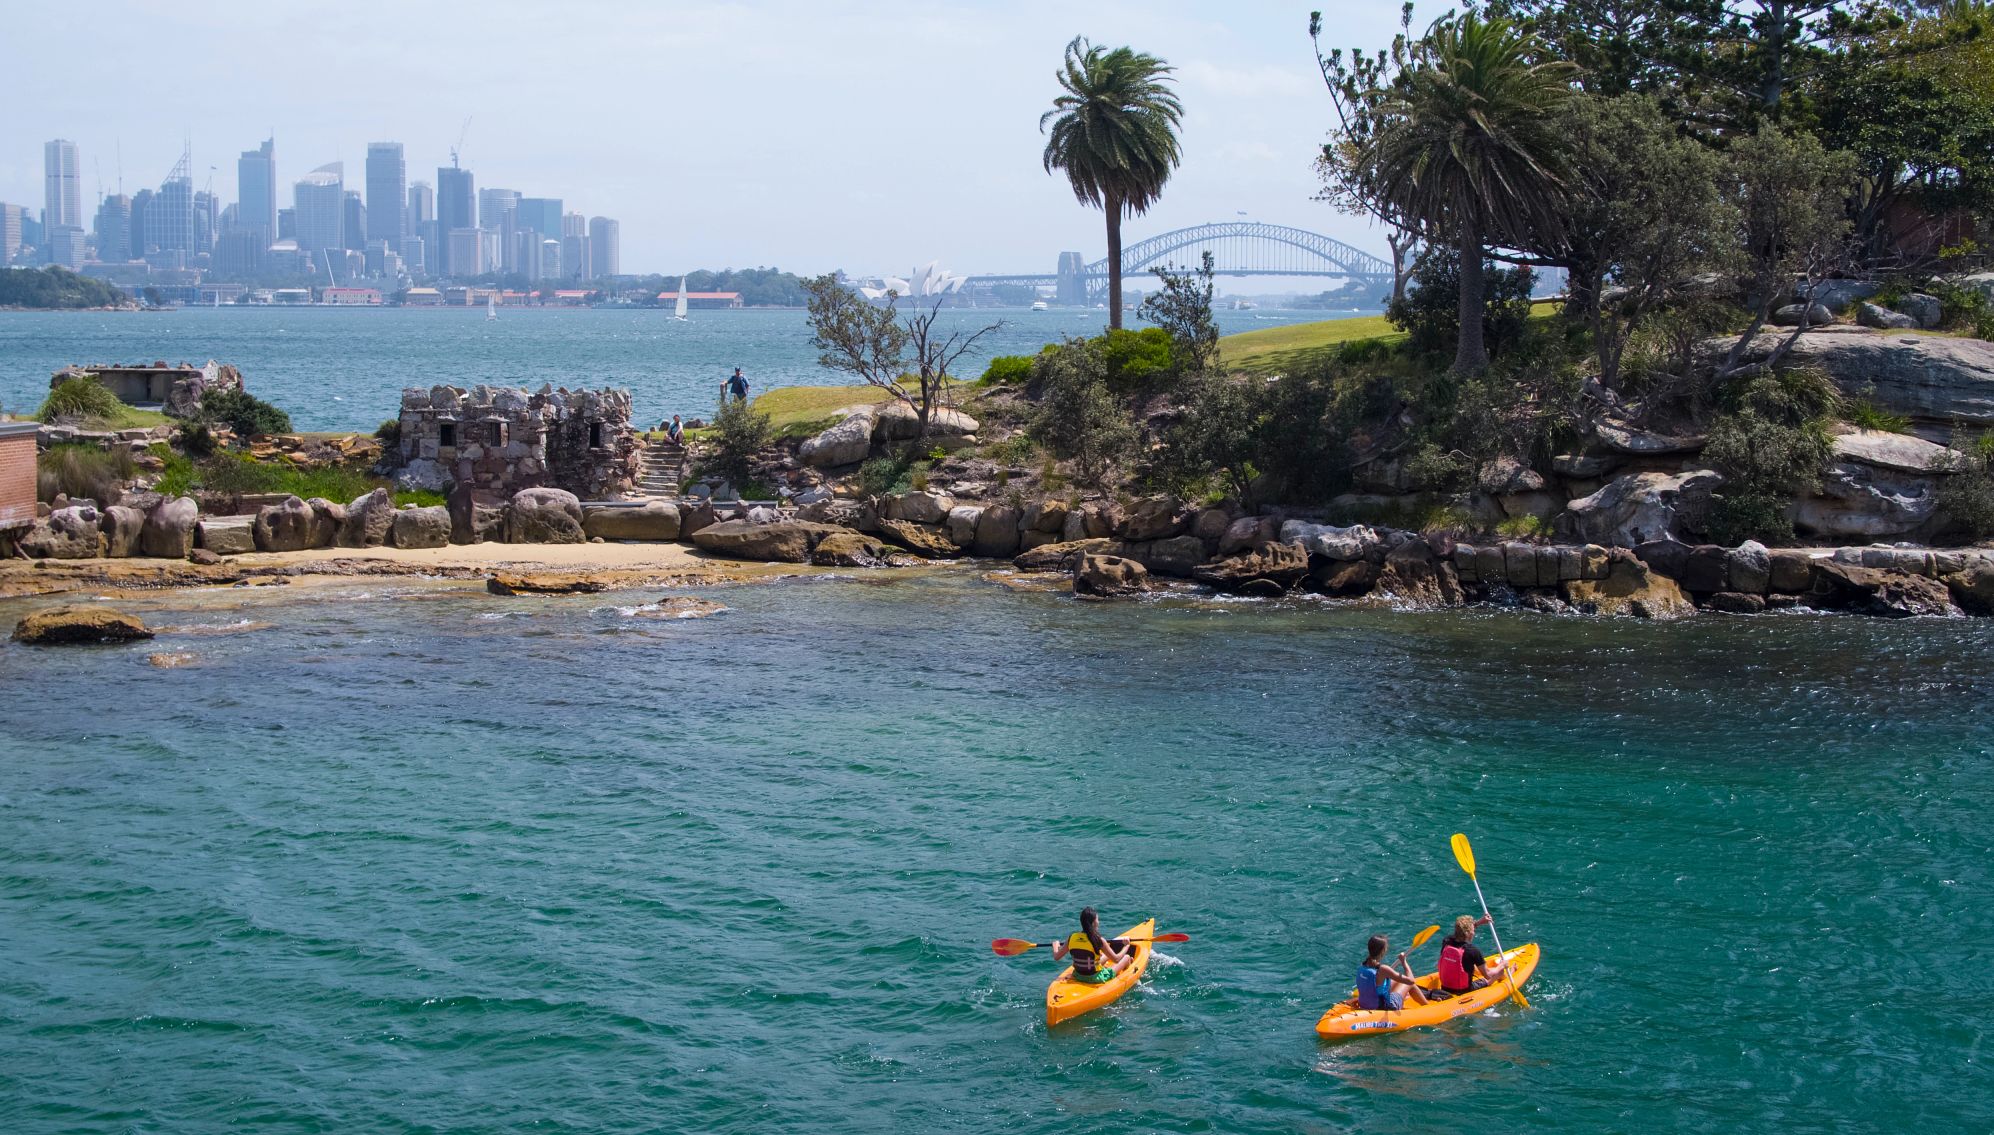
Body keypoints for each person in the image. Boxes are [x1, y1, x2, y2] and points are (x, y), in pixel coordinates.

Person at [1051, 907, 1131, 984]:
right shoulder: (1098, 940)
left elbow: (1056, 957)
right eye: (1097, 920)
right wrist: (1126, 946)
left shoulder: (1072, 937)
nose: (1098, 922)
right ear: (1093, 923)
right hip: (1096, 978)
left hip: (1078, 975)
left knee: (1105, 956)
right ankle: (1130, 970)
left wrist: (1055, 946)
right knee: (1126, 957)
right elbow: (1116, 959)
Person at [1436, 914, 1506, 997]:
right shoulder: (1472, 951)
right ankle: (1504, 976)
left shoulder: (1446, 941)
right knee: (1498, 973)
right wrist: (1502, 965)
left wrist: (1478, 923)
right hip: (1464, 991)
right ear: (1468, 933)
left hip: (1445, 988)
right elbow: (1487, 975)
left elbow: (1461, 932)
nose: (1474, 933)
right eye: (1473, 930)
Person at [1355, 933, 1428, 1011]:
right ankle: (1428, 1007)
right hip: (1385, 1008)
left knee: (1395, 981)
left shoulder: (1363, 966)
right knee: (1410, 984)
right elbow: (1411, 981)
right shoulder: (1383, 969)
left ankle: (1407, 996)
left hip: (1365, 1006)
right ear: (1383, 950)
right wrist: (1404, 962)